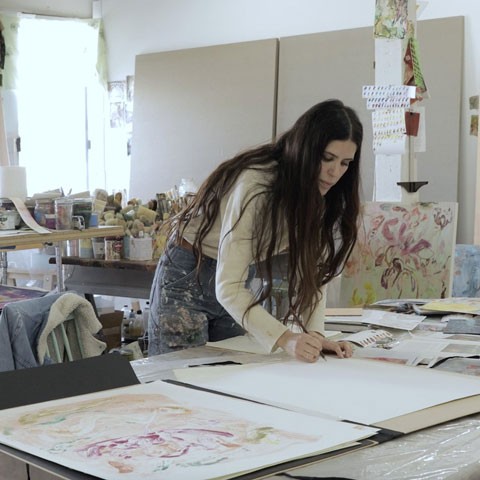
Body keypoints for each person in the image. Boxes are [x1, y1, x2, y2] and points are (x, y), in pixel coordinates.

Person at [148, 99, 362, 362]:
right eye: (327, 158)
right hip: (188, 272)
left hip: (237, 279)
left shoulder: (321, 193)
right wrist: (286, 338)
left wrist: (315, 336)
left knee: (231, 374)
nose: (334, 172)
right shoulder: (258, 184)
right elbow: (228, 288)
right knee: (180, 378)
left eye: (345, 163)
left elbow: (312, 274)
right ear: (306, 148)